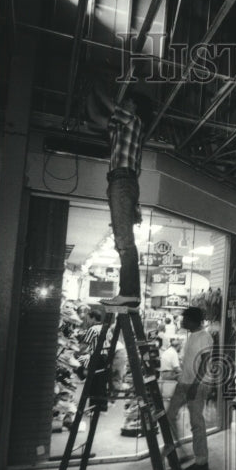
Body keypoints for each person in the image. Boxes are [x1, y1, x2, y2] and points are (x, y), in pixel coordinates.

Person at [90, 85, 155, 308]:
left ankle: (129, 293)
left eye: (128, 101)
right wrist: (88, 95)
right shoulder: (121, 128)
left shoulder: (134, 121)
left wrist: (95, 87)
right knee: (122, 241)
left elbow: (110, 106)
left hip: (122, 181)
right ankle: (129, 292)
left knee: (124, 242)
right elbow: (97, 119)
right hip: (120, 182)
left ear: (135, 108)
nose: (125, 103)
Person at [165, 307, 214, 470]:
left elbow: (206, 362)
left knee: (196, 423)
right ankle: (181, 451)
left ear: (193, 320)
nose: (182, 321)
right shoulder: (191, 335)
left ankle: (201, 461)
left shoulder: (204, 337)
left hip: (197, 386)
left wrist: (195, 385)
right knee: (169, 416)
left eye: (185, 319)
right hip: (183, 383)